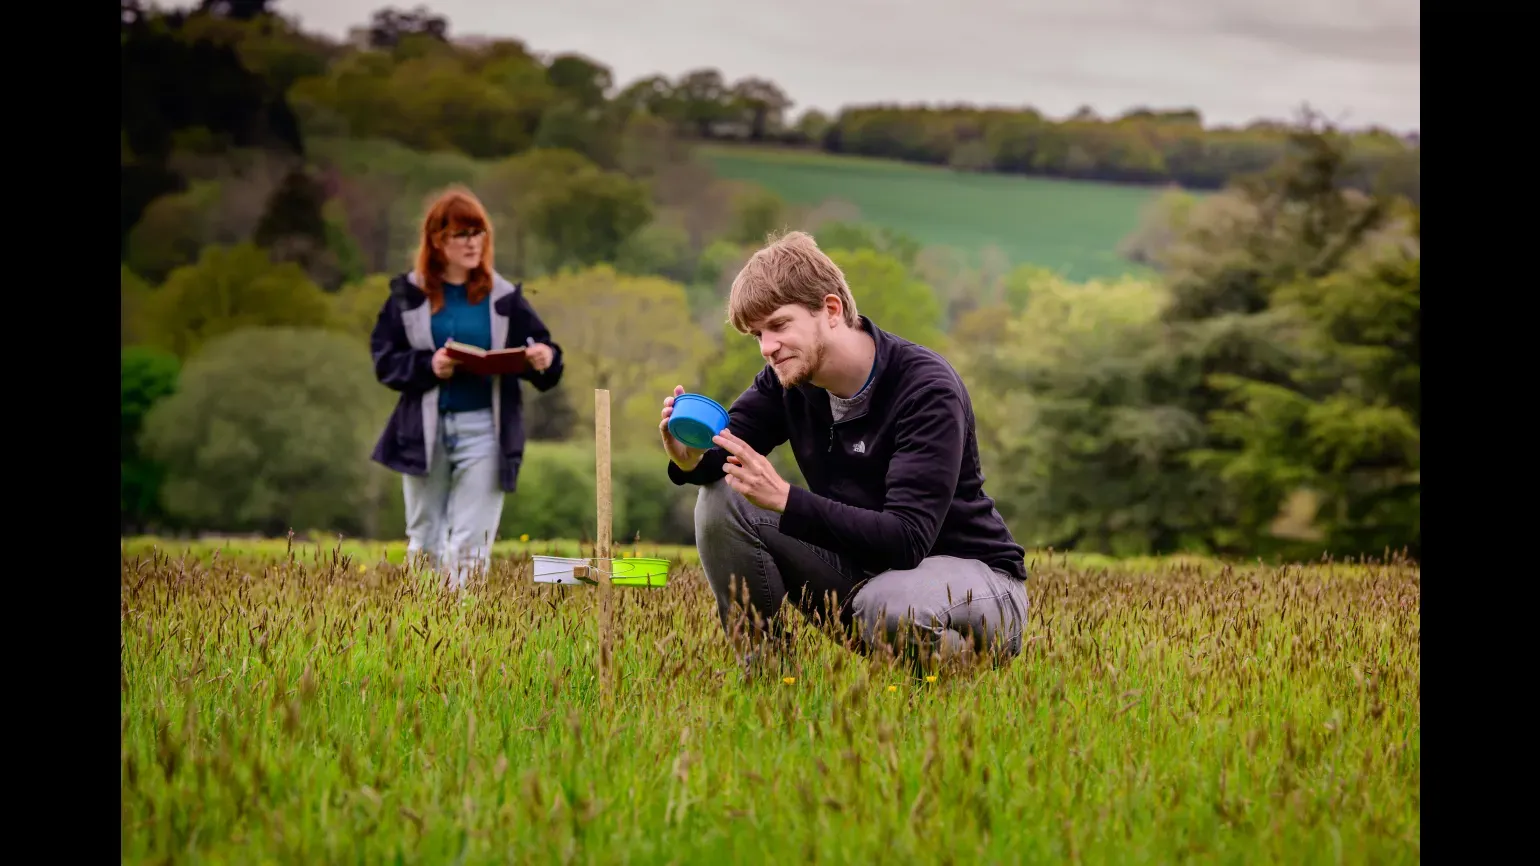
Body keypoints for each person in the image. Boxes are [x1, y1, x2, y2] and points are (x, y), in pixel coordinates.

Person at [660, 230, 1028, 674]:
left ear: (830, 310)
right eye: (757, 334)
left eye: (778, 325)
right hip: (869, 577)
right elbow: (724, 453)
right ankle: (771, 685)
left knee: (890, 605)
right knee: (722, 498)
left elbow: (907, 540)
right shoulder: (787, 380)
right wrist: (691, 459)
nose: (767, 347)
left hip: (975, 585)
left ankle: (956, 687)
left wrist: (786, 500)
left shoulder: (926, 390)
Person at [370, 186, 564, 588]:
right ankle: (421, 628)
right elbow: (384, 361)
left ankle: (464, 631)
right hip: (424, 431)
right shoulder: (407, 294)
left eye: (479, 233)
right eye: (462, 234)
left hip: (487, 432)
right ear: (437, 239)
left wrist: (544, 358)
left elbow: (545, 355)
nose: (473, 242)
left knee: (471, 542)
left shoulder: (506, 296)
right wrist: (430, 365)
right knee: (424, 539)